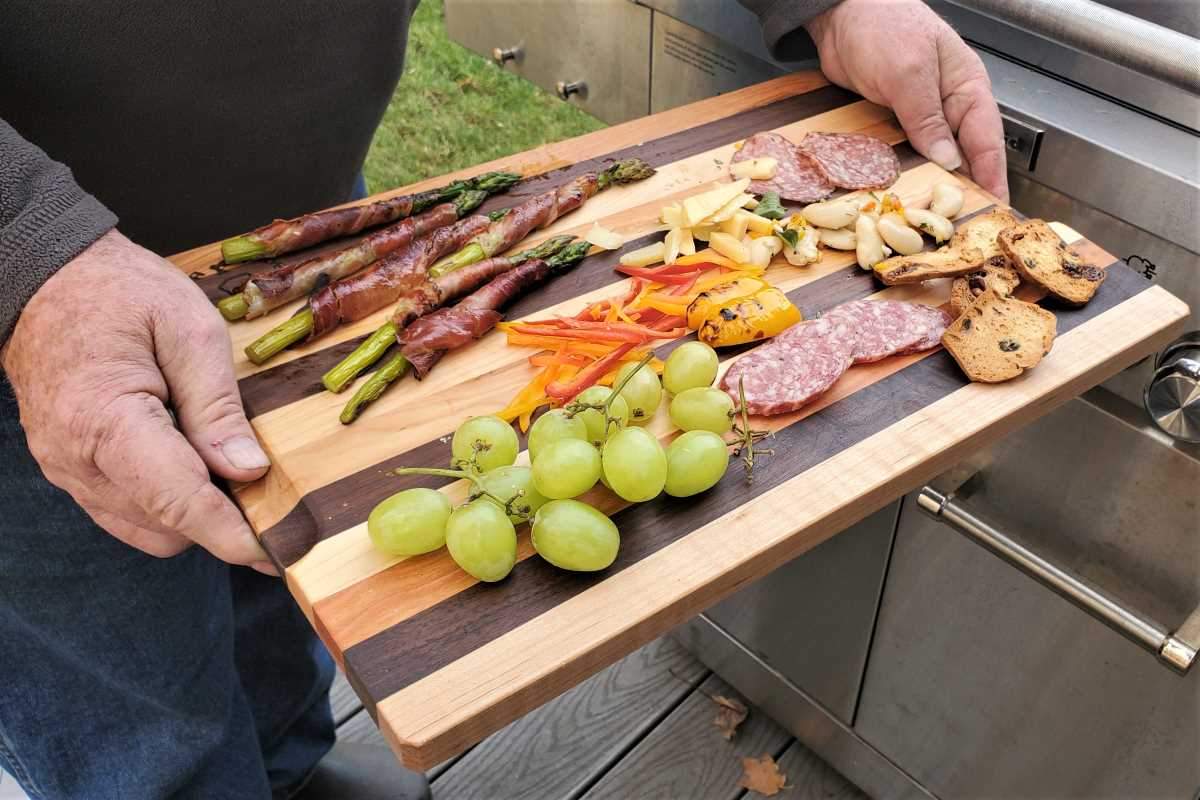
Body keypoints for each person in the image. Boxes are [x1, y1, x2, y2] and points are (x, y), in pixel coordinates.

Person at [0, 1, 1006, 797]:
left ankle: (294, 767)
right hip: (36, 312)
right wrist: (28, 248)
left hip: (318, 243)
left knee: (272, 583)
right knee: (139, 719)